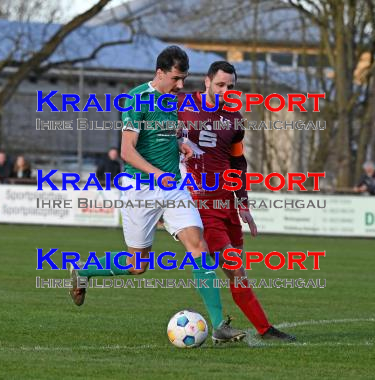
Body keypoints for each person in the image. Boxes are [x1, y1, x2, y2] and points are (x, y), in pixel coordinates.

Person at [68, 46, 245, 344]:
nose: (180, 85)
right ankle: (84, 270)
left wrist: (180, 145)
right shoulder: (137, 99)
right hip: (140, 188)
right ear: (160, 72)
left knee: (198, 245)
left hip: (173, 186)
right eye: (176, 78)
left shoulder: (173, 100)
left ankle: (218, 326)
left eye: (184, 79)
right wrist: (155, 173)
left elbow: (168, 131)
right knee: (138, 266)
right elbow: (128, 151)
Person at [177, 61, 295, 342]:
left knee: (237, 274)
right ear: (206, 82)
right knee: (234, 266)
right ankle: (257, 329)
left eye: (231, 86)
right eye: (220, 85)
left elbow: (237, 164)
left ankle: (261, 328)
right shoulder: (180, 104)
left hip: (227, 205)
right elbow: (150, 125)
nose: (226, 90)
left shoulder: (234, 120)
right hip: (201, 204)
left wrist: (243, 205)